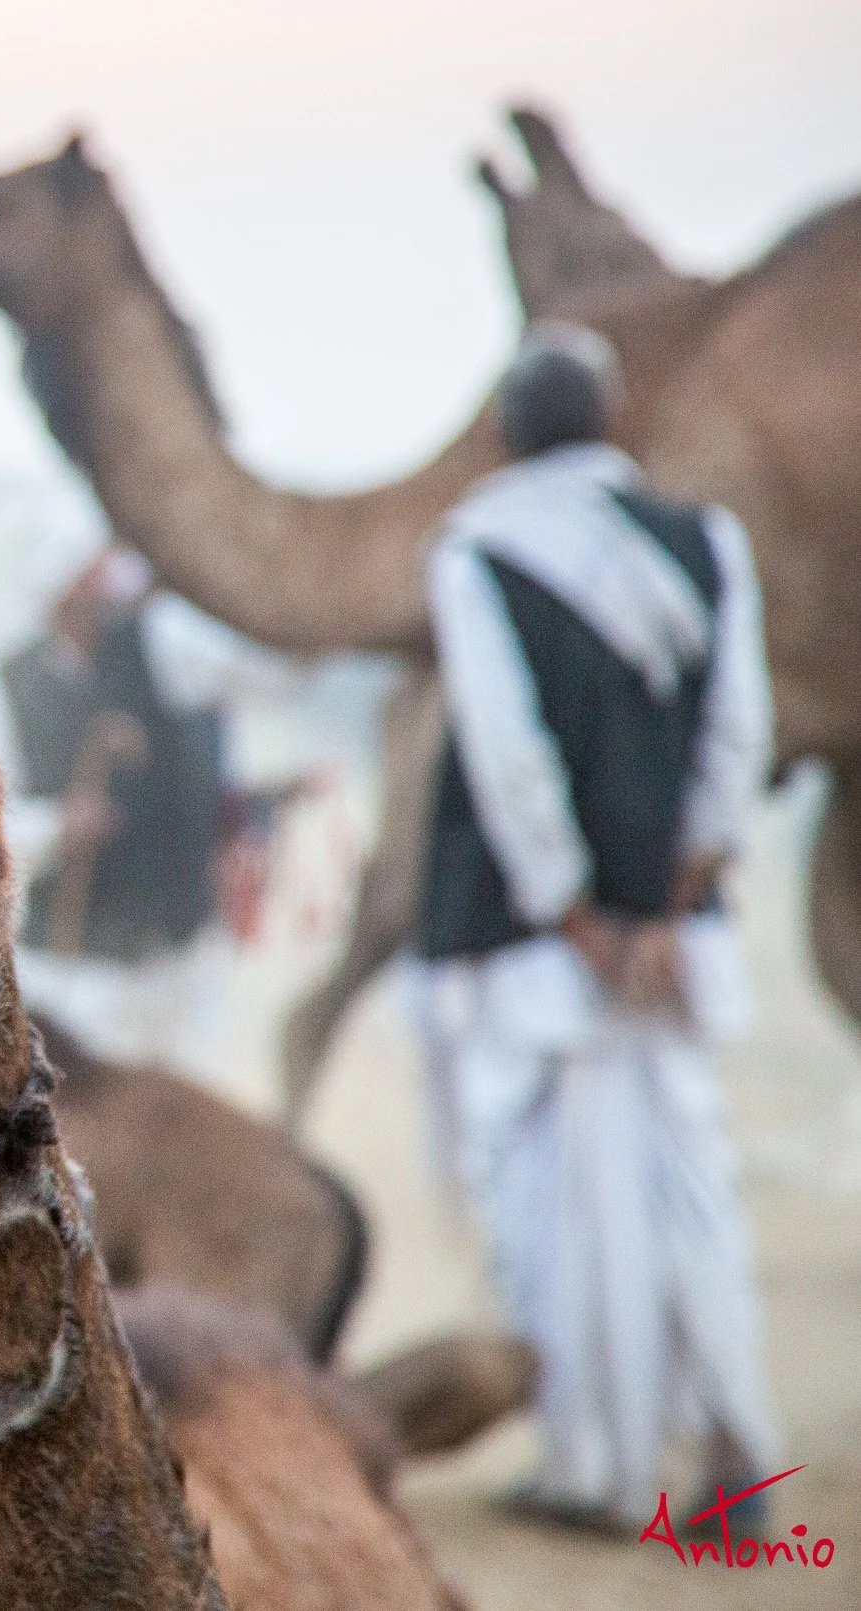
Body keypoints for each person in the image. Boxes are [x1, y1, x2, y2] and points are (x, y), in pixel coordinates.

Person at [409, 322, 782, 1534]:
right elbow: (735, 736)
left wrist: (579, 917)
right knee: (691, 1193)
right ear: (611, 415)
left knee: (566, 1212)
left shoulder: (479, 553)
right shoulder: (704, 541)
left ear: (502, 431)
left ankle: (600, 1475)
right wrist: (664, 907)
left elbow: (508, 753)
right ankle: (735, 1459)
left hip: (545, 950)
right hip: (672, 937)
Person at [0, 546, 298, 1080]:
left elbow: (273, 676)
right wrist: (58, 826)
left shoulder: (168, 642)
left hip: (181, 959)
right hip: (78, 968)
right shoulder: (10, 679)